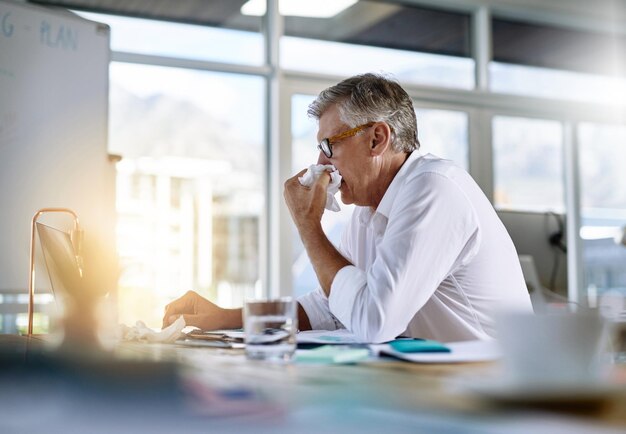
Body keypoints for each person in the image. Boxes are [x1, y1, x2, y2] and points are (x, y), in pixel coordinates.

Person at [163, 73, 533, 343]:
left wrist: (309, 226)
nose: (321, 163)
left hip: (494, 396)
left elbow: (375, 320)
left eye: (328, 146)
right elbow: (332, 305)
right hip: (441, 387)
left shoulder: (433, 189)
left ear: (377, 138)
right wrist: (227, 317)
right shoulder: (368, 211)